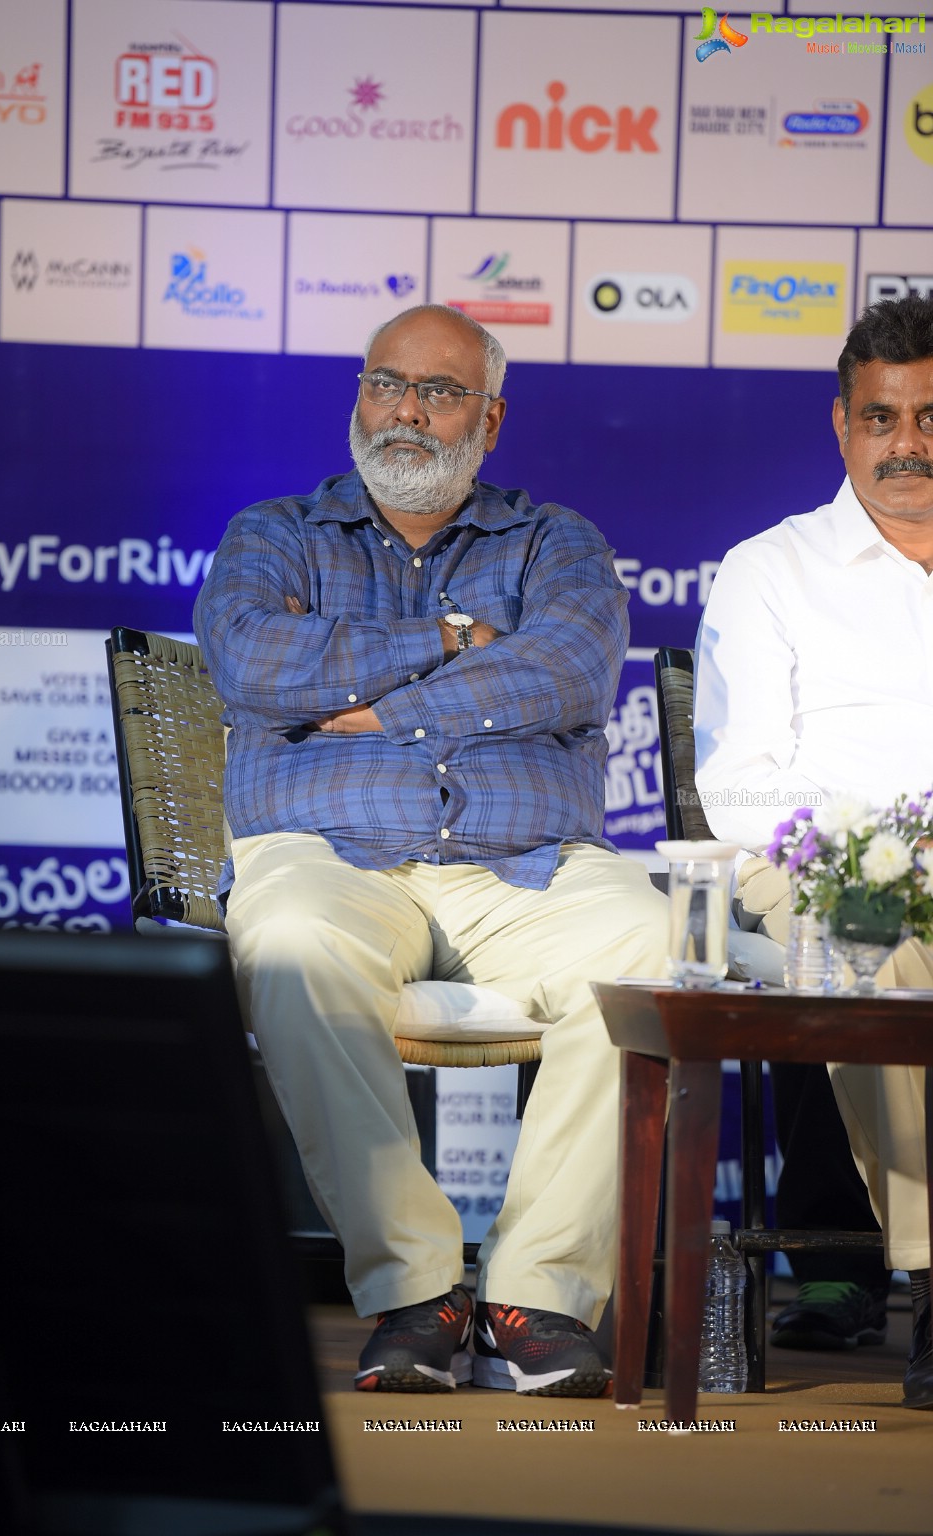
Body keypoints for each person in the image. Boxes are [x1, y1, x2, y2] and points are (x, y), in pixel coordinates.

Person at [194, 303, 669, 1397]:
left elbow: (567, 673)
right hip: (329, 850)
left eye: (440, 392)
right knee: (293, 941)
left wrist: (369, 708)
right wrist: (452, 645)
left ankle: (536, 1299)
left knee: (645, 947)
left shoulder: (555, 542)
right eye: (385, 383)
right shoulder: (276, 533)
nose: (406, 410)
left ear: (490, 420)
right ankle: (413, 1289)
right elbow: (253, 661)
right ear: (358, 396)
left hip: (524, 863)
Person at [694, 293, 933, 1408]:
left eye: (929, 415)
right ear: (842, 427)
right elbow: (737, 785)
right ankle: (922, 1282)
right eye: (881, 417)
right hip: (811, 864)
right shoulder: (770, 570)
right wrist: (887, 841)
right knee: (887, 937)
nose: (907, 442)